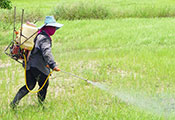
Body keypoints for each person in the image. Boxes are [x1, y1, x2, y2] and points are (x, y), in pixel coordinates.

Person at [10, 16, 63, 108]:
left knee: (29, 85)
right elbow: (47, 52)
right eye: (53, 27)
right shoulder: (44, 38)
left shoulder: (36, 35)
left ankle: (14, 103)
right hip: (38, 66)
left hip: (28, 65)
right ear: (48, 27)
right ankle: (41, 105)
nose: (54, 29)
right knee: (44, 84)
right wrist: (52, 65)